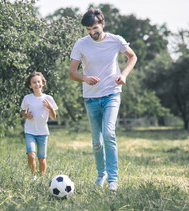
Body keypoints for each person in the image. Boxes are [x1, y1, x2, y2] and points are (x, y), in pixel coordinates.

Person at [69, 8, 137, 191]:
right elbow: (72, 73)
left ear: (102, 24)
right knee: (97, 141)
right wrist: (85, 78)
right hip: (91, 98)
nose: (92, 32)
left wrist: (124, 74)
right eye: (88, 29)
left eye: (95, 28)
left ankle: (112, 180)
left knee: (108, 133)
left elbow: (132, 56)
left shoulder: (116, 40)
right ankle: (101, 174)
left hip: (111, 94)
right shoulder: (81, 44)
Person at [21, 72, 58, 180]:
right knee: (31, 155)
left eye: (39, 82)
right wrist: (26, 115)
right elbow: (23, 111)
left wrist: (51, 108)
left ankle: (42, 179)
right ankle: (33, 176)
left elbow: (54, 117)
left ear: (43, 83)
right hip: (30, 131)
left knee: (42, 159)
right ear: (30, 85)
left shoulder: (48, 98)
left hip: (43, 132)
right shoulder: (27, 98)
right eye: (34, 82)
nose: (37, 84)